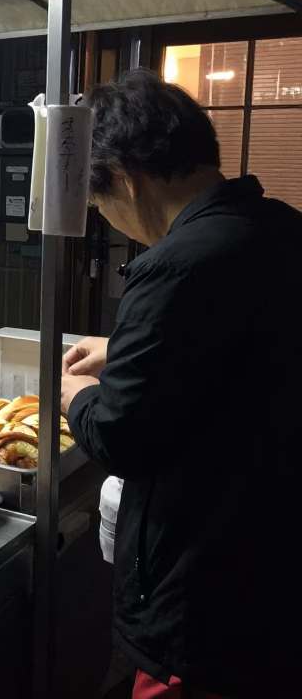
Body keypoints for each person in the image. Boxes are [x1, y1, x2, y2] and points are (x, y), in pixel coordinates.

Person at [60, 69, 301, 699]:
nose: (111, 222)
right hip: (272, 568)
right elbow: (246, 349)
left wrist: (74, 398)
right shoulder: (280, 228)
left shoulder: (174, 265)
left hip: (203, 594)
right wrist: (125, 349)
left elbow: (123, 439)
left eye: (101, 205)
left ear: (126, 179)